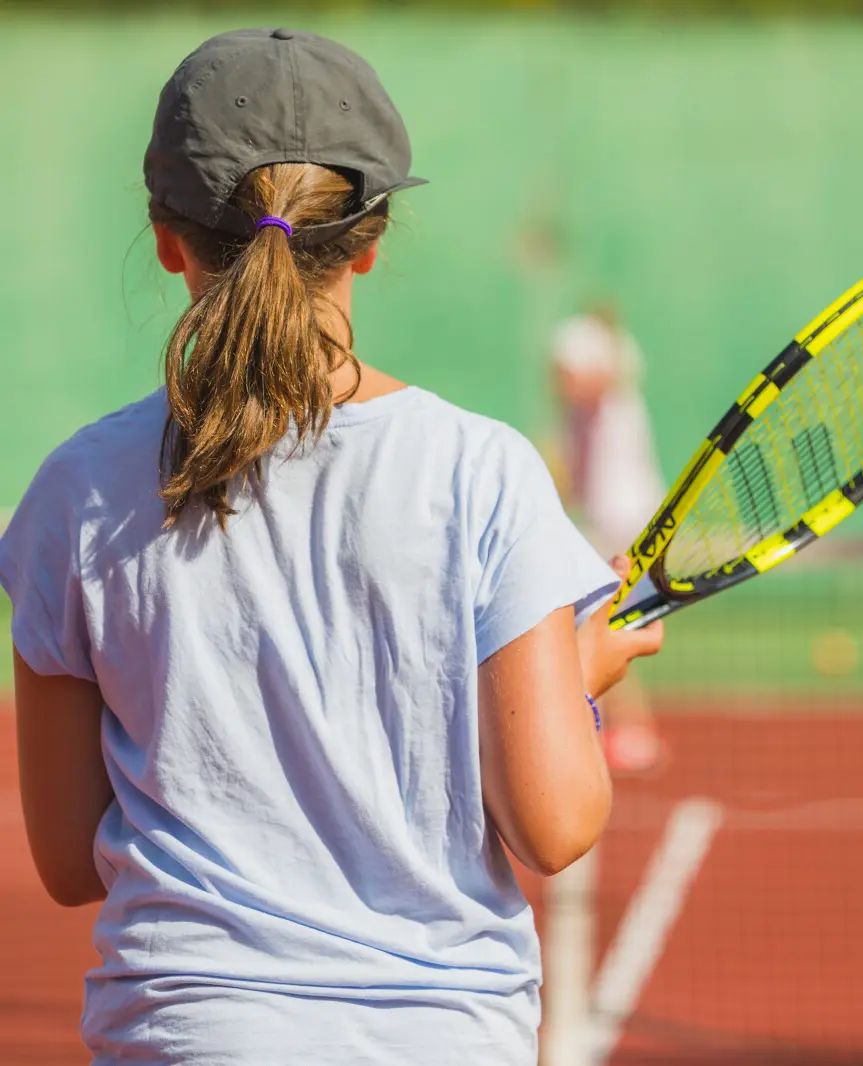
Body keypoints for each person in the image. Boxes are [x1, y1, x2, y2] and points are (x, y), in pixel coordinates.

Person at [0, 29, 663, 1066]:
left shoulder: (74, 491)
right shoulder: (482, 472)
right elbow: (556, 820)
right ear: (369, 239)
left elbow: (69, 855)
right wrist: (576, 676)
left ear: (168, 238)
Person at [549, 302, 668, 774]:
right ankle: (628, 724)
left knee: (606, 620)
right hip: (605, 519)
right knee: (598, 620)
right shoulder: (580, 418)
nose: (561, 379)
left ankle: (634, 728)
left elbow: (595, 382)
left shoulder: (609, 398)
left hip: (625, 520)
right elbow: (573, 478)